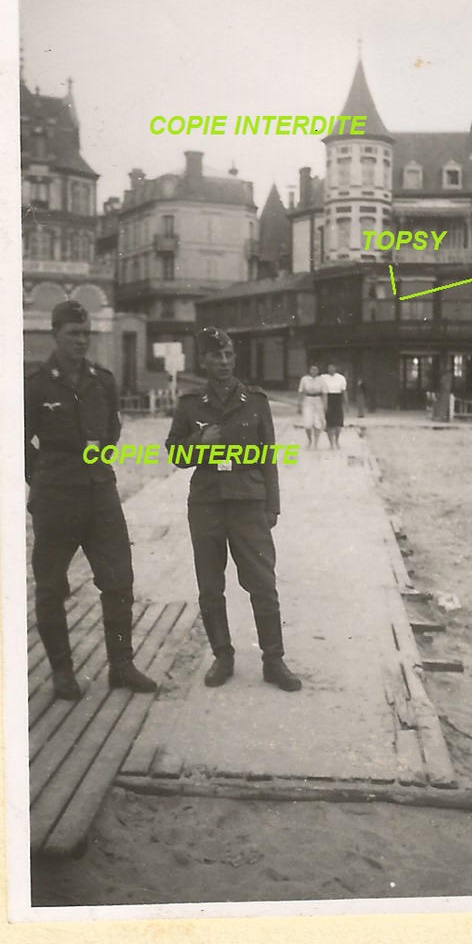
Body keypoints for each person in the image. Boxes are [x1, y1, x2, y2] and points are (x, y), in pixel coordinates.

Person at [25, 299, 157, 701]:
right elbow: (16, 441)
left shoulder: (104, 380)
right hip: (56, 499)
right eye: (73, 334)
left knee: (119, 580)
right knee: (51, 586)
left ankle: (121, 666)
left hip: (101, 494)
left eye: (86, 333)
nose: (82, 340)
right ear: (55, 334)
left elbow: (112, 429)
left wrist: (92, 465)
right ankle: (63, 672)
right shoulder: (36, 384)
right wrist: (44, 477)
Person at [165, 327, 301, 692]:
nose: (223, 362)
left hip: (248, 503)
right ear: (203, 361)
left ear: (233, 357)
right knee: (210, 586)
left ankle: (274, 660)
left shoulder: (255, 400)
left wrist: (272, 505)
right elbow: (175, 455)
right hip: (207, 503)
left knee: (263, 583)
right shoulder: (190, 403)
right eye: (215, 356)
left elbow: (269, 456)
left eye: (228, 355)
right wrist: (198, 440)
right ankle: (223, 657)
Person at [297, 363, 326, 449]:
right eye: (312, 369)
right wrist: (299, 404)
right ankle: (310, 440)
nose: (314, 371)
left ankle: (316, 443)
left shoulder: (321, 380)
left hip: (318, 400)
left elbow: (324, 393)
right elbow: (301, 392)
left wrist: (325, 404)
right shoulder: (304, 379)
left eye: (316, 369)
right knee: (307, 424)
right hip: (307, 400)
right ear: (309, 370)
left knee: (317, 423)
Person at [321, 362, 348, 448]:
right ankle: (331, 443)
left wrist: (346, 403)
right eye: (329, 368)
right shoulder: (323, 378)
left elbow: (344, 392)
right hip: (328, 398)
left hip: (338, 399)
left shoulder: (341, 378)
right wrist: (324, 404)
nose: (331, 369)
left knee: (338, 423)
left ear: (335, 368)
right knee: (329, 424)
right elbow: (324, 393)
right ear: (327, 369)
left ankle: (336, 440)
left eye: (333, 367)